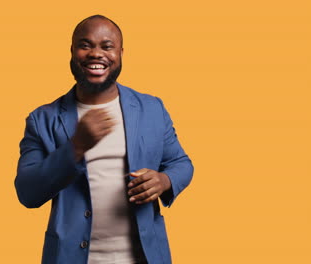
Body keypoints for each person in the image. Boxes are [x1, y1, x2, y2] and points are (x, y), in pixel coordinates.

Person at [15, 14, 193, 264]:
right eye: (85, 45)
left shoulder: (152, 108)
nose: (96, 53)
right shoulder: (42, 119)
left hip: (145, 257)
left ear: (120, 53)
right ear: (72, 51)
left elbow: (182, 163)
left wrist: (164, 180)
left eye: (107, 46)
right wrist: (75, 147)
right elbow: (27, 192)